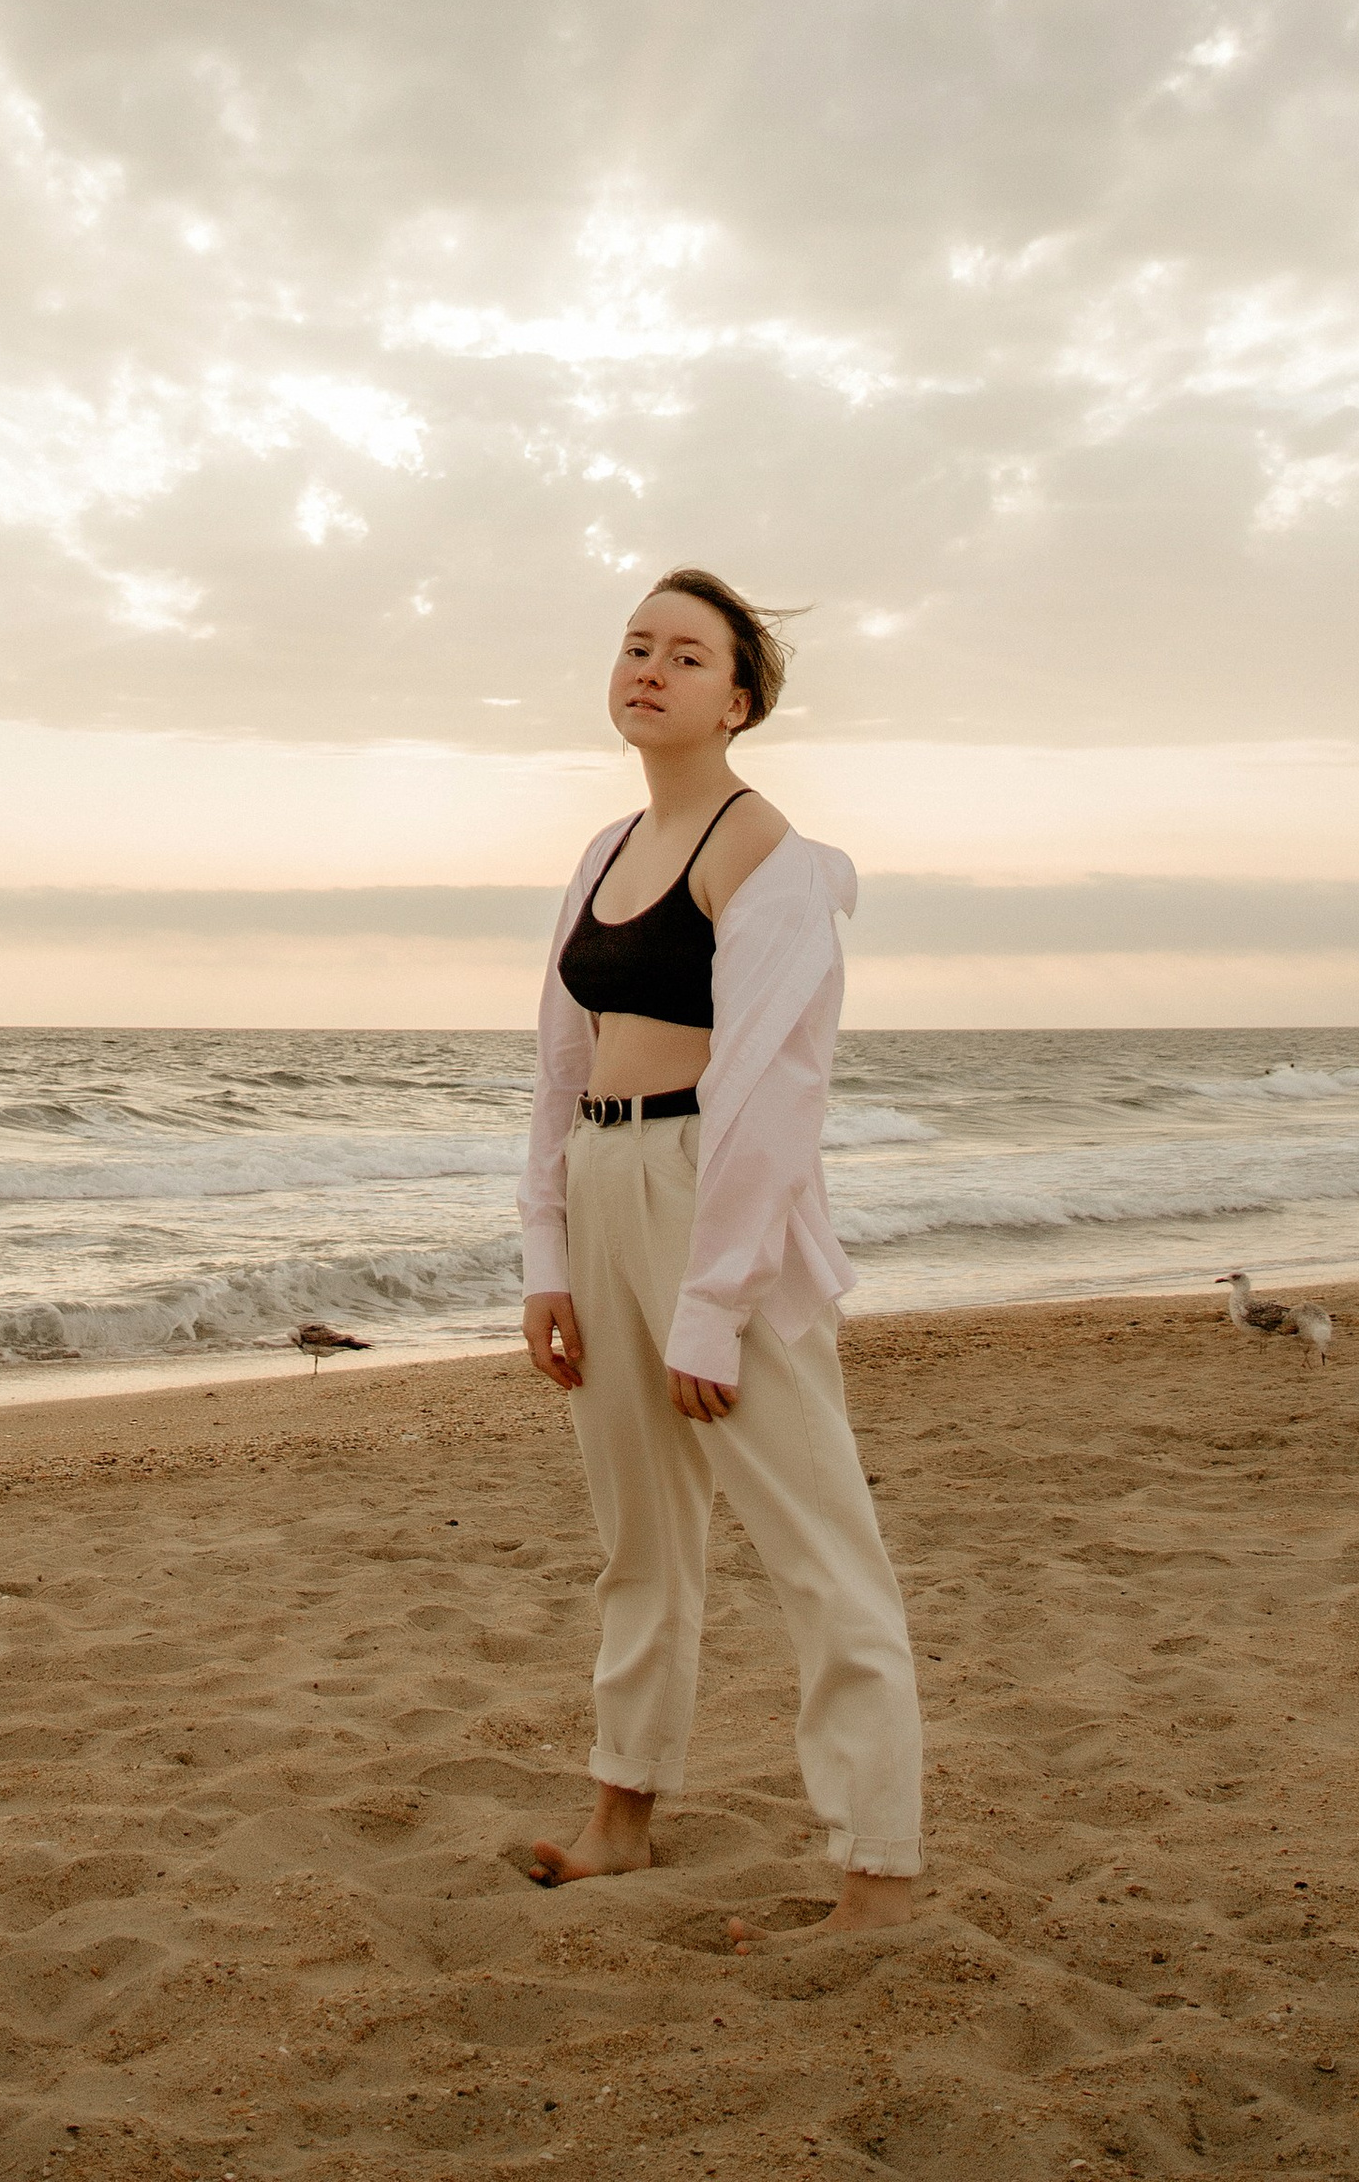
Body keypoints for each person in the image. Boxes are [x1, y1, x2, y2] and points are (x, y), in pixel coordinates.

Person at [519, 568, 923, 1936]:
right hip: (603, 1177)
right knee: (638, 1538)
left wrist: (713, 1302)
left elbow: (771, 1094)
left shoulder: (772, 860)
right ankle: (622, 1815)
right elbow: (556, 1066)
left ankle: (877, 1872)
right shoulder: (600, 852)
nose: (651, 669)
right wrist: (546, 1258)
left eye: (686, 656)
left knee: (819, 1543)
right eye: (636, 645)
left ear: (737, 700)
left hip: (716, 1198)